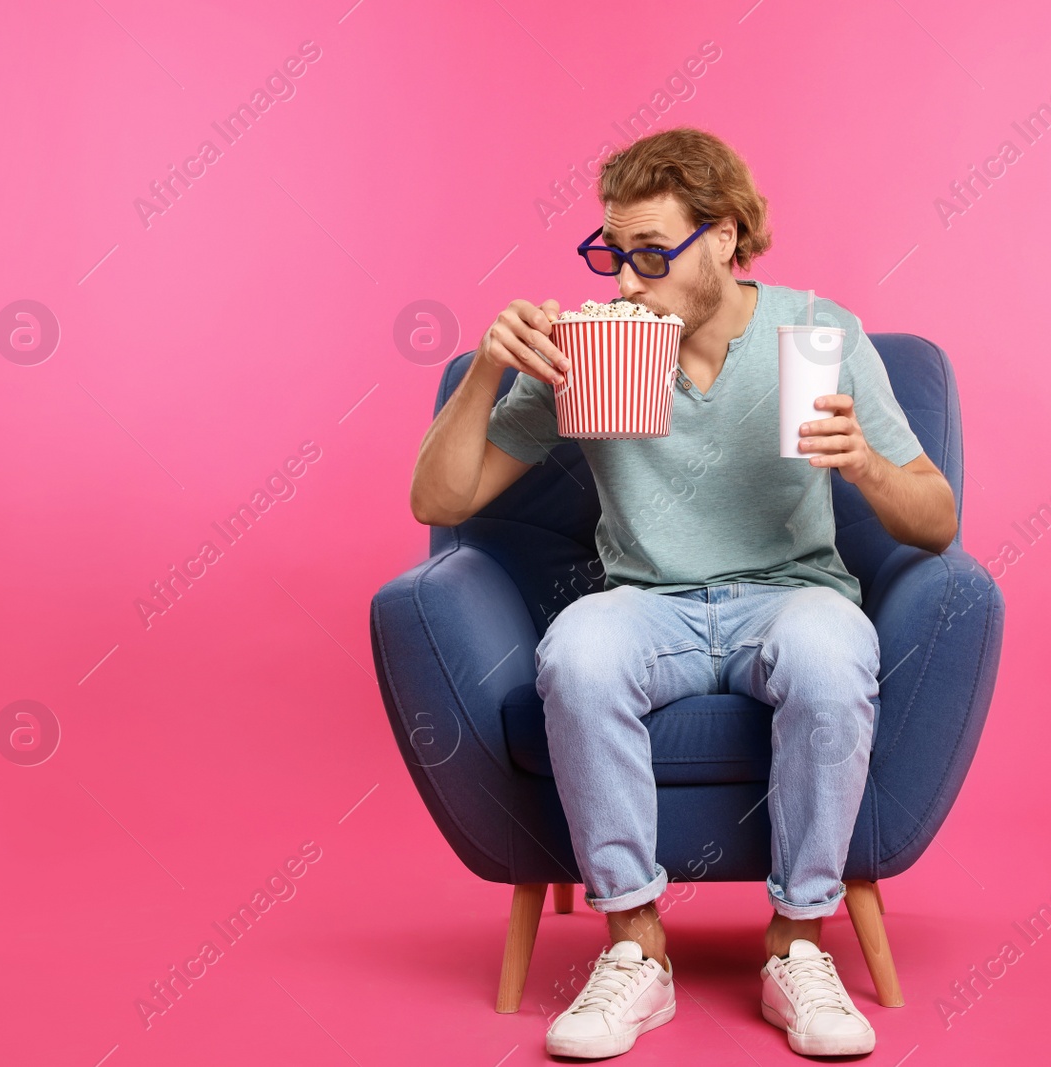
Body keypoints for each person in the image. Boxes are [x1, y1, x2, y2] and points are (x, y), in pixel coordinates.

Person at [408, 127, 956, 1059]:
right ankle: (634, 948)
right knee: (578, 653)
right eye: (611, 254)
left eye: (652, 255)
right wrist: (493, 367)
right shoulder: (593, 348)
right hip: (647, 602)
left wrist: (864, 461)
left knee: (832, 650)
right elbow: (439, 498)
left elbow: (936, 519)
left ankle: (797, 944)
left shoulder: (818, 334)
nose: (624, 281)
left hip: (790, 592)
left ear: (728, 236)